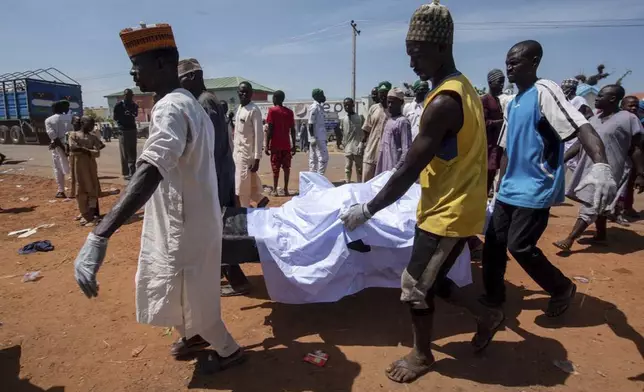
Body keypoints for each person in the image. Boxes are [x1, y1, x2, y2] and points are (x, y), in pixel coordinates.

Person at [73, 22, 245, 369]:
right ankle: (192, 335)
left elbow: (151, 169)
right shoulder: (187, 103)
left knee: (190, 285)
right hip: (188, 216)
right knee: (181, 283)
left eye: (139, 64)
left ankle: (227, 349)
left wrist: (100, 234)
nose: (133, 73)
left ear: (164, 65)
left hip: (186, 221)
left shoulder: (171, 108)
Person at [340, 1, 491, 383]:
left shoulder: (443, 101)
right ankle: (488, 315)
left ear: (441, 48)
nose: (412, 64)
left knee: (413, 286)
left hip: (449, 212)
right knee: (434, 280)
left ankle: (422, 355)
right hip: (449, 203)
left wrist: (368, 209)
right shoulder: (462, 87)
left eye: (417, 54)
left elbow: (408, 167)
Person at [482, 40, 616, 326]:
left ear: (534, 63)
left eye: (516, 61)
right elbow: (506, 146)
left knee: (520, 246)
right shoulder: (514, 101)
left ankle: (561, 288)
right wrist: (498, 183)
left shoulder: (544, 91)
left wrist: (601, 164)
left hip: (535, 186)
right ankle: (493, 296)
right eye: (507, 62)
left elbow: (581, 125)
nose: (510, 67)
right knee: (493, 241)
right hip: (509, 188)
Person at [178, 58, 250, 297]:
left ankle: (237, 280)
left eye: (181, 79)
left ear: (193, 77)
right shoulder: (204, 100)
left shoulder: (204, 102)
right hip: (218, 174)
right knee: (215, 228)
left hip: (215, 177)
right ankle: (221, 271)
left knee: (215, 229)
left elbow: (210, 146)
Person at [553, 86, 644, 251]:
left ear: (612, 99)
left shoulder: (629, 119)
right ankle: (601, 235)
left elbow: (637, 148)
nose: (596, 98)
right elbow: (581, 143)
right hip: (591, 168)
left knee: (595, 201)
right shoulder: (595, 118)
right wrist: (561, 160)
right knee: (600, 202)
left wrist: (641, 173)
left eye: (600, 95)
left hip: (613, 169)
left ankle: (570, 238)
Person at [234, 81, 268, 207]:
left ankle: (245, 211)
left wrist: (257, 158)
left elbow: (259, 136)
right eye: (241, 92)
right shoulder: (239, 108)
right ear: (238, 93)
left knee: (242, 188)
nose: (243, 94)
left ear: (251, 94)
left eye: (246, 92)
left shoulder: (254, 111)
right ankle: (260, 200)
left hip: (247, 156)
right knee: (249, 183)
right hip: (237, 154)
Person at [68, 116, 103, 226]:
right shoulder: (73, 135)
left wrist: (84, 150)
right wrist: (88, 151)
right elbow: (73, 148)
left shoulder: (92, 137)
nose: (92, 127)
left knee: (92, 188)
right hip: (78, 166)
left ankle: (91, 214)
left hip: (90, 166)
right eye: (90, 124)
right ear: (83, 123)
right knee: (80, 189)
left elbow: (98, 150)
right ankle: (84, 213)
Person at [375, 87, 412, 175]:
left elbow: (407, 150)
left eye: (393, 102)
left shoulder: (403, 122)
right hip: (384, 168)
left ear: (401, 103)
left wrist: (396, 169)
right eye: (389, 102)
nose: (390, 105)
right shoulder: (389, 120)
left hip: (394, 171)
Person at [265, 90, 296, 196]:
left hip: (275, 145)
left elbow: (270, 129)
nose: (272, 100)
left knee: (275, 168)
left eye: (273, 98)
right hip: (286, 145)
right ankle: (286, 189)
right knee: (286, 168)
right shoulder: (289, 112)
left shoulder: (272, 111)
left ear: (276, 99)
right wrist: (294, 145)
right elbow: (293, 130)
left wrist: (266, 145)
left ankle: (274, 190)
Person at [561, 78, 594, 175]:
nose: (562, 90)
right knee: (564, 162)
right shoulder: (566, 101)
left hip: (575, 137)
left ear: (571, 89)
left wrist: (578, 124)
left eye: (564, 88)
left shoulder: (579, 100)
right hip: (566, 136)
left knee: (573, 163)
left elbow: (589, 115)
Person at [618, 95, 644, 219]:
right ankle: (617, 211)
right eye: (630, 106)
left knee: (629, 185)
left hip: (633, 158)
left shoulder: (637, 120)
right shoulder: (616, 119)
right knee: (619, 187)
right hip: (620, 158)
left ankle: (627, 208)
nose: (634, 108)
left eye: (636, 106)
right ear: (622, 106)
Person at [481, 69, 506, 193]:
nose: (502, 85)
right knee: (485, 176)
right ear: (490, 83)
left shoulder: (497, 100)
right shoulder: (485, 100)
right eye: (499, 82)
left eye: (503, 82)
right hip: (487, 147)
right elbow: (483, 123)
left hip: (496, 145)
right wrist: (502, 122)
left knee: (492, 174)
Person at [362, 82, 391, 181]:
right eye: (381, 93)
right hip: (371, 151)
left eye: (385, 93)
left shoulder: (393, 110)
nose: (383, 96)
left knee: (381, 183)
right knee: (366, 180)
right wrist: (362, 144)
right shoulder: (373, 108)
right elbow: (367, 128)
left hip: (386, 154)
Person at [44, 100, 71, 198]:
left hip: (58, 147)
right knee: (74, 168)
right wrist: (67, 149)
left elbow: (54, 137)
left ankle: (61, 191)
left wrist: (63, 149)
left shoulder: (49, 120)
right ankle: (77, 190)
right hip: (71, 144)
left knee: (58, 169)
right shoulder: (70, 118)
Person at [114, 88, 139, 180]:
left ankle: (133, 171)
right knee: (124, 152)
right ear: (124, 96)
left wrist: (130, 113)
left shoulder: (134, 105)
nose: (129, 97)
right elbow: (115, 117)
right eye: (127, 95)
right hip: (123, 130)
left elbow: (135, 115)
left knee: (133, 151)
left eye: (131, 95)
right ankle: (126, 172)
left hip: (132, 129)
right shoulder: (119, 106)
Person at [339, 98, 365, 183]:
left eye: (349, 105)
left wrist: (362, 143)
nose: (347, 107)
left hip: (357, 147)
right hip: (347, 148)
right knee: (347, 168)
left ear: (353, 105)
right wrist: (342, 143)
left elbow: (364, 131)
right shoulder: (343, 119)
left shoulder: (360, 117)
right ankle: (347, 183)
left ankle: (360, 184)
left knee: (359, 168)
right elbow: (342, 132)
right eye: (345, 105)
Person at [307, 88, 329, 175]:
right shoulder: (315, 107)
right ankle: (320, 178)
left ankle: (313, 179)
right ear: (317, 97)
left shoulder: (320, 107)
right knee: (324, 158)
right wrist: (312, 137)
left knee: (314, 159)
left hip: (320, 137)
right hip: (317, 138)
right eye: (321, 95)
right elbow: (310, 123)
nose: (324, 97)